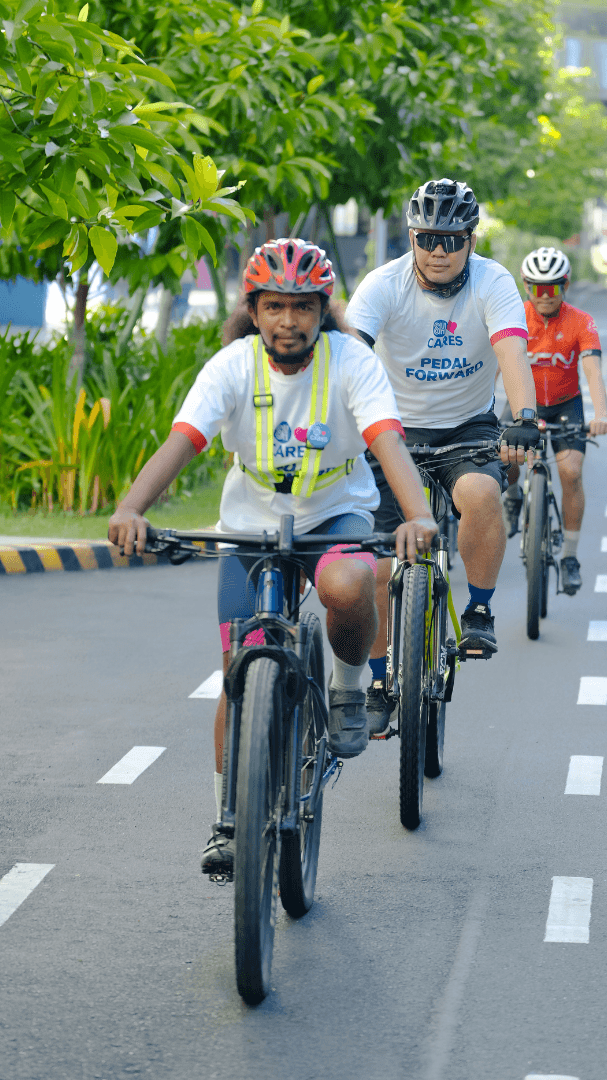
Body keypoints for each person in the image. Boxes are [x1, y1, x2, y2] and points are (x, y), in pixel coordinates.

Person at [108, 238, 437, 877]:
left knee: (350, 582)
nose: (289, 321)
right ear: (253, 310)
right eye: (275, 306)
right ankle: (228, 821)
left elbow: (387, 440)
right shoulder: (232, 366)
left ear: (323, 311)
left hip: (333, 514)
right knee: (238, 668)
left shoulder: (351, 362)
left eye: (303, 307)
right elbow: (184, 441)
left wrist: (418, 515)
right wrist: (131, 508)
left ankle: (346, 689)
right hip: (250, 529)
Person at [344, 178, 539, 733]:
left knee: (481, 493)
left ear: (470, 241)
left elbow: (511, 351)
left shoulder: (494, 282)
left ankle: (477, 609)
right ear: (411, 236)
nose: (439, 250)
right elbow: (349, 355)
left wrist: (523, 421)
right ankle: (380, 679)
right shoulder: (381, 285)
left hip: (465, 428)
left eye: (452, 240)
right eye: (427, 237)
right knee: (378, 569)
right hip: (391, 433)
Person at [502, 247, 607, 595]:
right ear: (526, 287)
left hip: (567, 405)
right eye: (537, 288)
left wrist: (601, 415)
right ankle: (514, 495)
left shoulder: (581, 321)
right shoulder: (514, 318)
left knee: (571, 473)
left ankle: (570, 557)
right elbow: (493, 367)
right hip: (524, 407)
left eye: (552, 288)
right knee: (506, 458)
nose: (544, 296)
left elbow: (593, 371)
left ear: (565, 286)